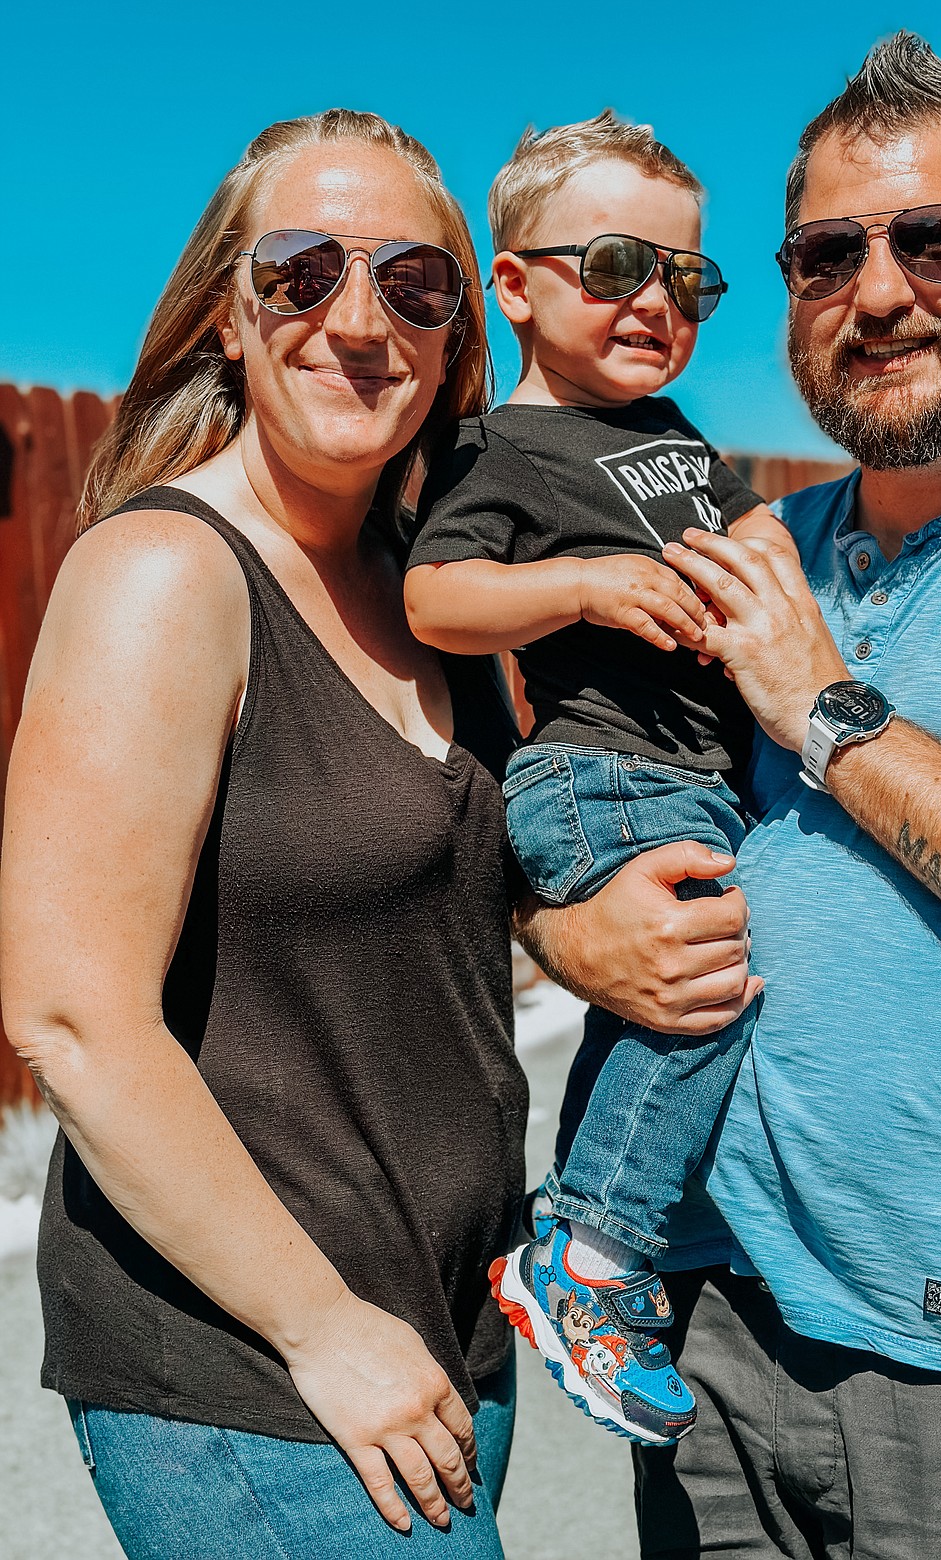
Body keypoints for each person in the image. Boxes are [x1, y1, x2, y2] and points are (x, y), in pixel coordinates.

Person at [555, 31, 941, 1560]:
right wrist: (566, 938)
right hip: (700, 1327)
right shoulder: (746, 540)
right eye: (826, 254)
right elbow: (577, 789)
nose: (877, 292)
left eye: (933, 242)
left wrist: (819, 709)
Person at [2, 109, 532, 1560]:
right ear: (228, 320)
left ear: (454, 333)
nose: (358, 322)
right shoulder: (166, 573)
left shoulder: (429, 595)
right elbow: (72, 1017)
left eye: (413, 284)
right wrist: (322, 1328)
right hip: (254, 1367)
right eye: (301, 273)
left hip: (433, 1346)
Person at [403, 110, 780, 1449]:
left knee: (662, 1001)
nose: (653, 302)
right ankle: (590, 1250)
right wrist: (577, 584)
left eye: (684, 276)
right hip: (602, 773)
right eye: (614, 264)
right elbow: (436, 597)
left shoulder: (673, 434)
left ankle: (623, 1234)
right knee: (706, 980)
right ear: (511, 286)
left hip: (691, 770)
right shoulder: (496, 452)